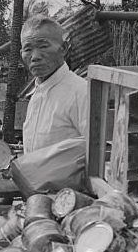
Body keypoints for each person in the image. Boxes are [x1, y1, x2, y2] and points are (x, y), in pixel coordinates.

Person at [20, 14, 89, 153]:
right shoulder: (36, 94)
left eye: (43, 46)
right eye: (28, 49)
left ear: (63, 48)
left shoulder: (81, 92)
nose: (35, 57)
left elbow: (97, 152)